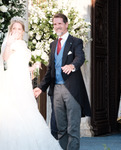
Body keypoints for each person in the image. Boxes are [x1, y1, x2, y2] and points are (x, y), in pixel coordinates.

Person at [0, 17, 62, 150]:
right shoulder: (9, 43)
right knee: (16, 110)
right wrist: (9, 44)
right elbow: (5, 59)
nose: (16, 31)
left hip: (23, 81)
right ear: (11, 30)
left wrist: (33, 67)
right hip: (13, 80)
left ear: (23, 31)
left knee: (28, 110)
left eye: (19, 29)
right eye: (14, 28)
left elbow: (21, 66)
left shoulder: (23, 44)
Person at [33, 13, 91, 150]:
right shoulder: (53, 44)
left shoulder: (76, 42)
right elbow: (50, 71)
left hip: (72, 90)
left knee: (73, 128)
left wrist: (72, 66)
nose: (57, 26)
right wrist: (41, 88)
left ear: (66, 24)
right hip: (56, 90)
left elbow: (80, 57)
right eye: (54, 24)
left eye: (59, 23)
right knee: (61, 128)